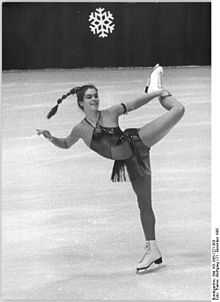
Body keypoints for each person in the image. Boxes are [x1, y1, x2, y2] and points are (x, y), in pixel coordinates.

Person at [36, 65, 185, 273]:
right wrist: (51, 138)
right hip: (132, 161)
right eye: (89, 97)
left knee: (178, 110)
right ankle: (153, 249)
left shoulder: (110, 112)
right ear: (81, 102)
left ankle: (156, 87)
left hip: (137, 141)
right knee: (144, 204)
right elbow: (66, 143)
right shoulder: (80, 129)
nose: (94, 99)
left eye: (96, 95)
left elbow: (134, 104)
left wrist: (154, 95)